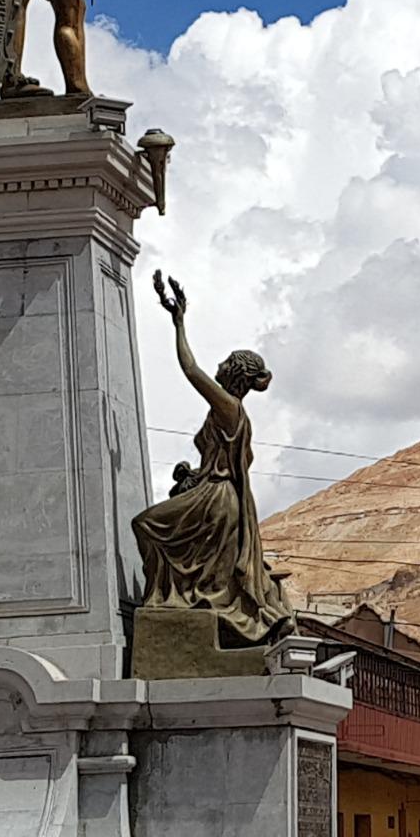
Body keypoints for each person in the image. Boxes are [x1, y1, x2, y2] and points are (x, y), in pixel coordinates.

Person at [130, 271, 293, 646]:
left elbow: (190, 369)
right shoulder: (233, 413)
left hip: (215, 502)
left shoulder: (228, 407)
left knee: (146, 525)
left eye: (225, 362)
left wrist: (179, 324)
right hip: (216, 495)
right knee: (188, 557)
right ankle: (174, 601)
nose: (218, 365)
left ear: (233, 372)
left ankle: (169, 600)